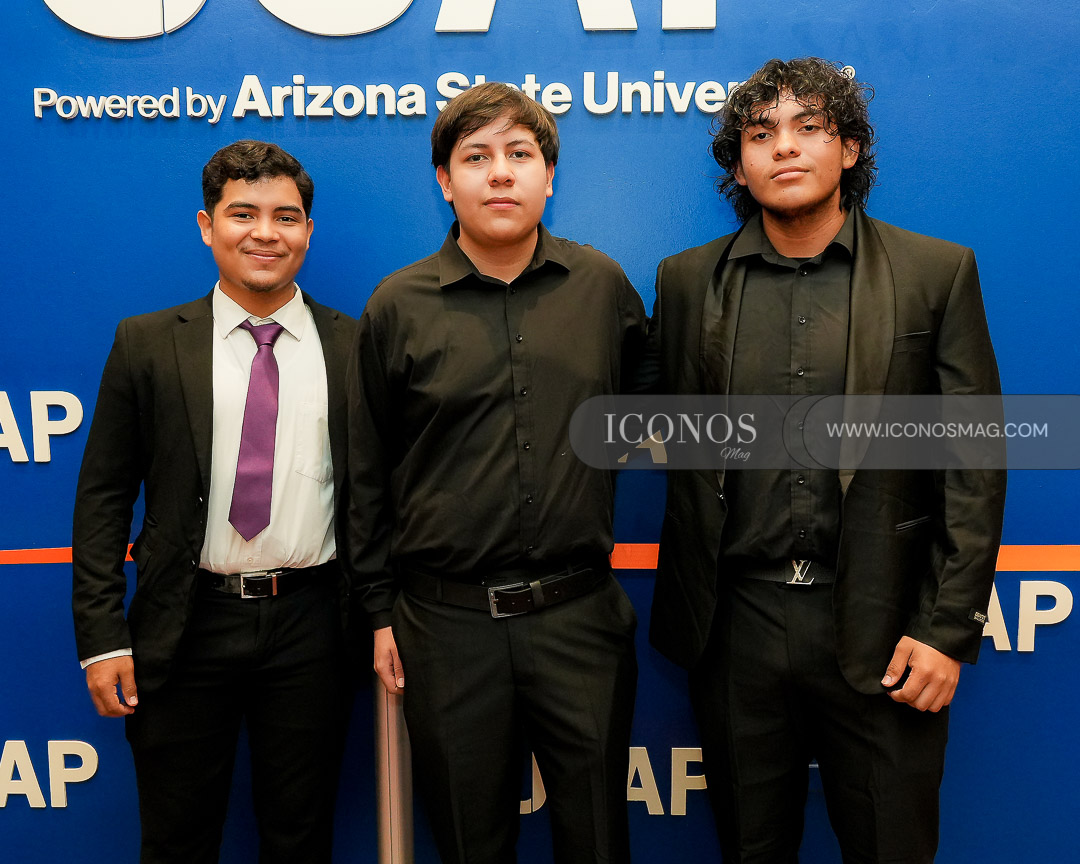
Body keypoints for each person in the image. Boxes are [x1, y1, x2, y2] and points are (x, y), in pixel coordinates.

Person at [645, 58, 1006, 862]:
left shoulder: (935, 273)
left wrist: (946, 629)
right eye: (760, 133)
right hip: (733, 629)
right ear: (739, 164)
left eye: (809, 127)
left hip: (885, 628)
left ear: (848, 148)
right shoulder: (685, 283)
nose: (784, 147)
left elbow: (974, 465)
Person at [348, 82, 645, 864]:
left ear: (549, 175)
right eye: (476, 157)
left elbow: (650, 415)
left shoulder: (603, 287)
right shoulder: (397, 305)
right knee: (469, 844)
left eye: (520, 153)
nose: (501, 172)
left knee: (599, 841)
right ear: (445, 181)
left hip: (580, 617)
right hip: (446, 628)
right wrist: (377, 611)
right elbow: (366, 471)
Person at [72, 140, 357, 864]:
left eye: (285, 216)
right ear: (207, 225)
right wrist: (103, 637)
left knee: (300, 838)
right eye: (243, 213)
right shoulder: (145, 344)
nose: (266, 233)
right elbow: (104, 497)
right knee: (177, 839)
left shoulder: (356, 346)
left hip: (314, 625)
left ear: (308, 230)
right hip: (186, 623)